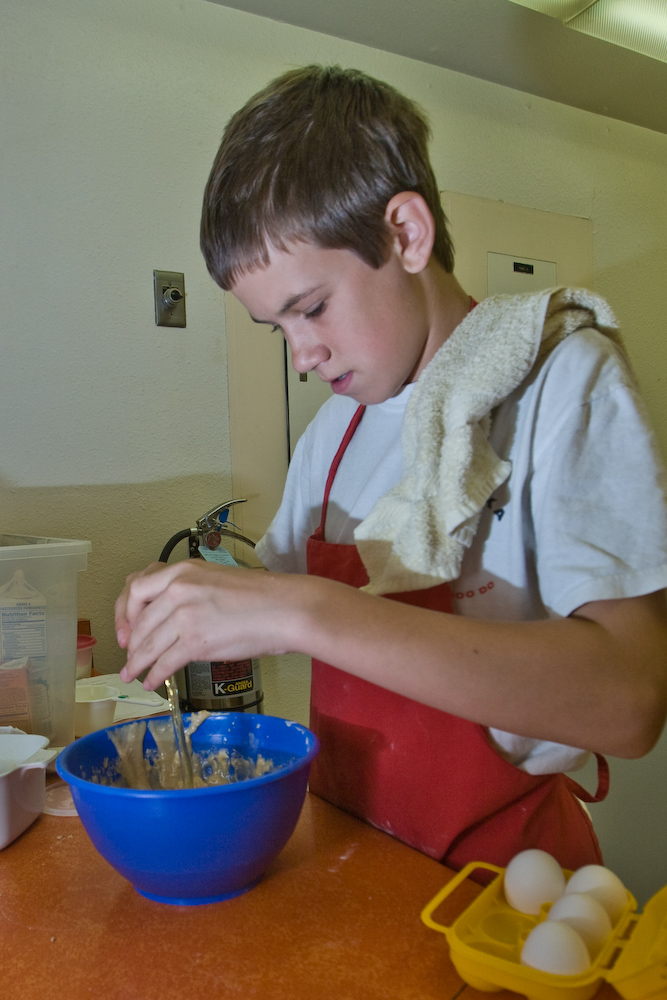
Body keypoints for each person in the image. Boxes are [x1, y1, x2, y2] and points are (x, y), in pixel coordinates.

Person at [116, 65, 667, 874]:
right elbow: (271, 594)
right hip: (360, 861)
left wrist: (307, 611)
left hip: (509, 881)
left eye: (311, 308)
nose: (302, 356)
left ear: (406, 234)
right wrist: (191, 596)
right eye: (276, 329)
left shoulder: (560, 381)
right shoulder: (335, 430)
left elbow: (631, 701)